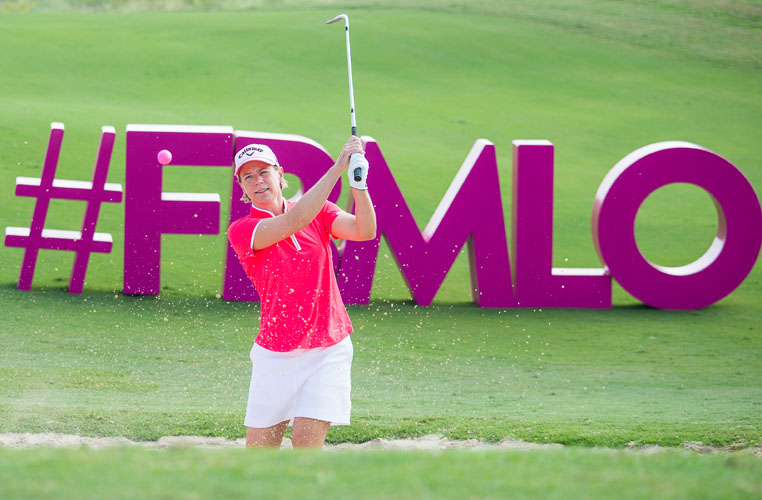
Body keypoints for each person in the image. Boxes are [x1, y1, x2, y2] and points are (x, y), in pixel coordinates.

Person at [227, 136, 376, 449]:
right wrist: (337, 168)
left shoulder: (319, 211)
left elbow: (364, 231)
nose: (257, 181)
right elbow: (295, 220)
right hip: (275, 354)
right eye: (248, 176)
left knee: (305, 449)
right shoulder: (243, 229)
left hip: (328, 347)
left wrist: (358, 186)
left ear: (280, 174)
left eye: (264, 172)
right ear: (241, 186)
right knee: (259, 458)